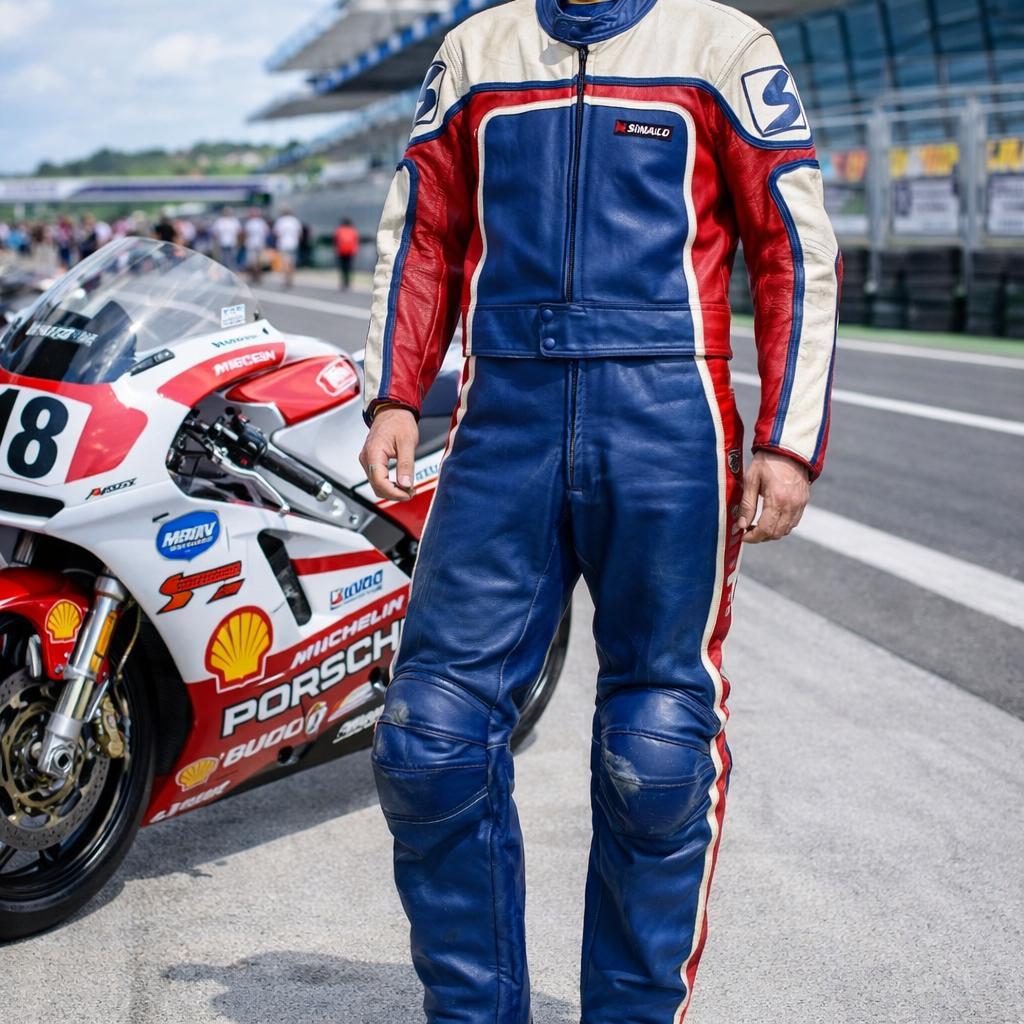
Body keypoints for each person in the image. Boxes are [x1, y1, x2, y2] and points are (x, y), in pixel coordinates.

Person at [359, 1, 841, 1022]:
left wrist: (789, 440)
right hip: (503, 418)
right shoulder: (475, 49)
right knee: (428, 736)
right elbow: (425, 233)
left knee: (654, 754)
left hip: (669, 417)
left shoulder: (723, 44)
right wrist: (394, 391)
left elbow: (792, 247)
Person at [272, 207, 302, 289]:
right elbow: (299, 234)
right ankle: (291, 279)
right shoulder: (295, 221)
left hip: (283, 244)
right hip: (293, 244)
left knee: (285, 263)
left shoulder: (280, 221)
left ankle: (286, 279)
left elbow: (276, 233)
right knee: (292, 263)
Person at [243, 209, 270, 283]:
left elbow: (266, 232)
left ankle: (258, 276)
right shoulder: (250, 222)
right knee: (252, 261)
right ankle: (254, 276)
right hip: (252, 244)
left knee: (259, 261)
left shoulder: (260, 222)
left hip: (259, 244)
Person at [334, 217, 359, 289]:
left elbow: (336, 241)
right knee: (349, 267)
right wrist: (355, 250)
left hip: (341, 251)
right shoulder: (353, 230)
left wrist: (336, 249)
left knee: (343, 267)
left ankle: (343, 282)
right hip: (350, 251)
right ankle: (348, 282)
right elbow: (355, 241)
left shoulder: (339, 230)